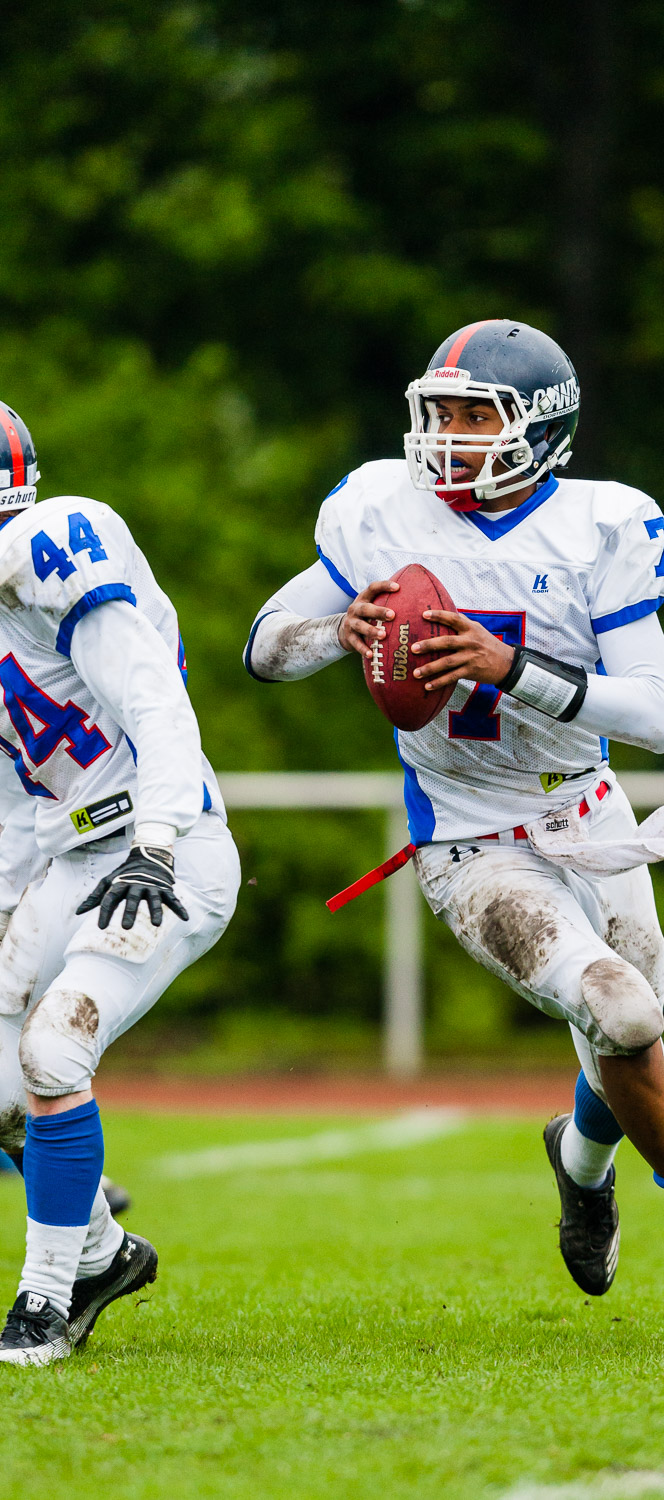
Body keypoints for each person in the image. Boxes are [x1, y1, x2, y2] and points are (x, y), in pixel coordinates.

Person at [244, 320, 664, 1330]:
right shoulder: (380, 507)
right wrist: (339, 630)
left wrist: (518, 675)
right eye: (440, 414)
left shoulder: (601, 527)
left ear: (542, 429)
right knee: (621, 1014)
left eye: (475, 417)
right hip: (469, 842)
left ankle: (582, 1163)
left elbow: (656, 713)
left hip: (587, 809)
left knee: (634, 1031)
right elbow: (262, 647)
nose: (450, 439)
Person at [0, 400, 241, 1364]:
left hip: (163, 852)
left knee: (57, 1049)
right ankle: (100, 1253)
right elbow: (19, 802)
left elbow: (154, 698)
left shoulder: (50, 543)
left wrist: (156, 838)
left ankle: (44, 1302)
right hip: (68, 861)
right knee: (5, 1096)